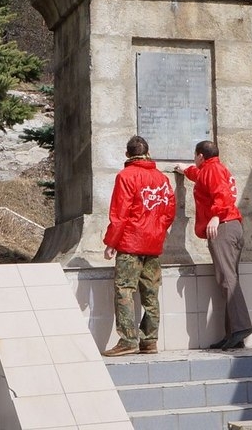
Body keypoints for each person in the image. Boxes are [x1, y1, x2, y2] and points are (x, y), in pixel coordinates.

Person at [174, 140, 252, 351]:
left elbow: (221, 195)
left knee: (227, 279)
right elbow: (202, 179)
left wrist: (216, 216)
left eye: (194, 156)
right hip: (231, 226)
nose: (194, 159)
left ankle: (240, 328)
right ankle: (233, 335)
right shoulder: (213, 169)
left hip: (223, 228)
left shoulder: (213, 170)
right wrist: (186, 170)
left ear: (200, 156)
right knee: (229, 278)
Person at [102, 135, 176, 357]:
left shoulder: (126, 176)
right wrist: (157, 230)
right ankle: (149, 341)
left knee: (124, 290)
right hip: (153, 244)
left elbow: (119, 213)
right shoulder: (162, 179)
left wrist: (110, 242)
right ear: (148, 152)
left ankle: (127, 340)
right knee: (151, 294)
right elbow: (169, 211)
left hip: (131, 243)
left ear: (127, 154)